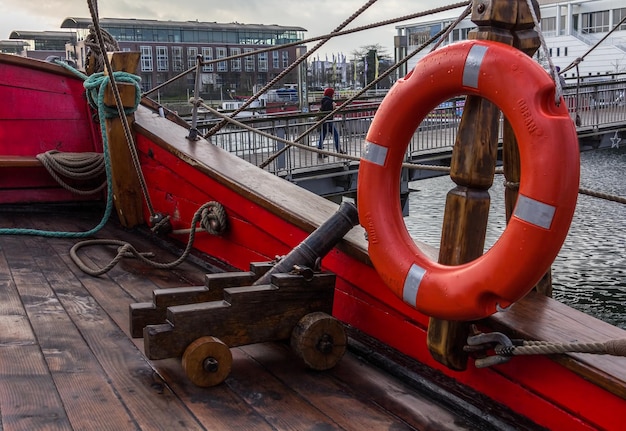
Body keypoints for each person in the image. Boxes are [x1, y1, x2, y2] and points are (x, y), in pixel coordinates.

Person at [317, 88, 344, 158]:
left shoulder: (324, 100)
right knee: (335, 134)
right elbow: (328, 110)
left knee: (322, 136)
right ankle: (338, 150)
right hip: (328, 121)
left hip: (324, 121)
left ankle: (320, 151)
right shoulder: (329, 101)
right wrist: (333, 107)